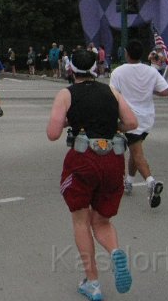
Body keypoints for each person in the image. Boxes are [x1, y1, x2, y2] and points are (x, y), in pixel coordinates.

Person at [46, 49, 137, 301]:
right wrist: (111, 125)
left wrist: (67, 120)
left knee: (81, 221)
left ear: (71, 69)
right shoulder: (111, 91)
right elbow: (131, 122)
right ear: (96, 68)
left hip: (84, 159)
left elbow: (52, 133)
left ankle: (93, 282)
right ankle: (115, 251)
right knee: (102, 221)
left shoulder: (66, 94)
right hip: (113, 159)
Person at [108, 39, 168, 207]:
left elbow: (113, 95)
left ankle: (151, 182)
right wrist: (150, 91)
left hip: (129, 118)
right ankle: (128, 182)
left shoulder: (118, 72)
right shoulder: (151, 71)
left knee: (137, 153)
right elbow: (165, 91)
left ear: (126, 53)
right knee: (136, 149)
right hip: (147, 118)